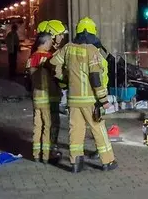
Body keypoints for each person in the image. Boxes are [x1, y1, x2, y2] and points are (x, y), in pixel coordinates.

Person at [50, 17, 117, 173]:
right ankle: (108, 161)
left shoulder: (68, 48)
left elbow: (53, 64)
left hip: (73, 99)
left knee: (76, 130)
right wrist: (104, 100)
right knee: (98, 129)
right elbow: (95, 78)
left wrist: (63, 80)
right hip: (90, 100)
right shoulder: (92, 50)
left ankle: (76, 163)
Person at [27, 32, 62, 163]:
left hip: (36, 97)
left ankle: (36, 154)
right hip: (48, 96)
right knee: (49, 125)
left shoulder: (32, 57)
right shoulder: (48, 57)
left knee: (37, 125)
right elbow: (57, 75)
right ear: (46, 42)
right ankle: (47, 155)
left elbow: (30, 77)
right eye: (50, 42)